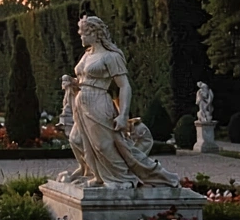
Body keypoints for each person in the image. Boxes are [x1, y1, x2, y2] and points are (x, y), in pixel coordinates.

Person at [57, 16, 179, 189]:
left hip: (98, 102)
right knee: (77, 140)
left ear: (95, 34)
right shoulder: (87, 55)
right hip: (81, 102)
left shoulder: (111, 57)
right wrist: (72, 81)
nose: (80, 36)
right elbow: (83, 79)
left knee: (103, 145)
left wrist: (123, 115)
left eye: (83, 33)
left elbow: (124, 86)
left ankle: (122, 179)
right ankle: (97, 175)